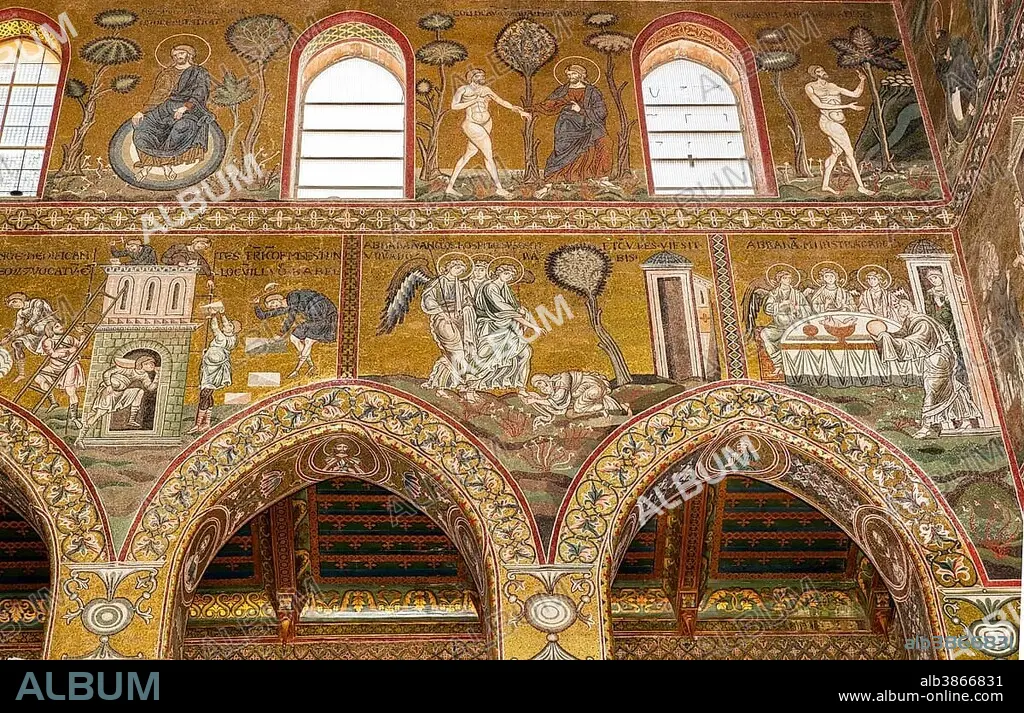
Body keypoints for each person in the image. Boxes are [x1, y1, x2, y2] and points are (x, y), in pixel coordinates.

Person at [870, 299, 980, 438]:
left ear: (907, 308)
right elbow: (901, 334)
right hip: (932, 360)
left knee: (933, 392)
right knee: (951, 389)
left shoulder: (922, 322)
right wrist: (885, 336)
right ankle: (966, 421)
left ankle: (927, 426)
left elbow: (916, 341)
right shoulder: (911, 321)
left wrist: (893, 341)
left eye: (899, 307)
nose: (898, 310)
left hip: (938, 360)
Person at [131, 43, 215, 182]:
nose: (178, 57)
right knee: (143, 126)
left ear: (189, 54)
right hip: (167, 107)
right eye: (175, 55)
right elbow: (159, 93)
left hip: (191, 108)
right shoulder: (167, 73)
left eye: (181, 53)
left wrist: (184, 108)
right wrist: (142, 111)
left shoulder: (198, 72)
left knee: (182, 127)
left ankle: (152, 167)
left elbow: (200, 92)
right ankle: (161, 164)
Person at [531, 64, 615, 198]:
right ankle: (551, 181)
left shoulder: (592, 91)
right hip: (568, 125)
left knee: (605, 142)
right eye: (569, 75)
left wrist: (581, 110)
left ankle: (602, 178)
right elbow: (550, 104)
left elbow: (601, 111)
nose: (570, 77)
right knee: (562, 151)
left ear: (581, 75)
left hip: (589, 123)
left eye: (573, 74)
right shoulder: (562, 90)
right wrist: (531, 109)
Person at [444, 69, 530, 199]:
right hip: (472, 125)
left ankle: (449, 187)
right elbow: (454, 106)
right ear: (472, 77)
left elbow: (500, 101)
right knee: (488, 155)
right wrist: (474, 100)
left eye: (483, 75)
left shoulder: (486, 90)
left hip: (486, 124)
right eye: (479, 75)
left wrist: (517, 110)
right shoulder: (464, 90)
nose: (483, 77)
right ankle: (499, 188)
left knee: (468, 155)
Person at [805, 66, 875, 196]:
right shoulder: (810, 87)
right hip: (828, 122)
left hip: (836, 122)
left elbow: (855, 94)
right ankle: (861, 186)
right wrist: (847, 106)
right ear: (814, 74)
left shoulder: (833, 86)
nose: (822, 72)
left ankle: (825, 185)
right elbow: (820, 105)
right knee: (849, 152)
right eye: (818, 71)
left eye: (822, 69)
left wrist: (862, 81)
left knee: (836, 152)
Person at [420, 255, 478, 398]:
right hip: (443, 319)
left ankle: (445, 384)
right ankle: (462, 380)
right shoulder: (438, 283)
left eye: (461, 270)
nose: (459, 271)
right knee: (455, 350)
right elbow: (428, 299)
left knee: (459, 352)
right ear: (449, 267)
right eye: (457, 268)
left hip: (460, 320)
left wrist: (467, 308)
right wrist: (442, 312)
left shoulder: (461, 285)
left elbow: (467, 301)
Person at [471, 261, 534, 390]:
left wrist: (520, 310)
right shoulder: (490, 287)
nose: (508, 276)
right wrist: (526, 321)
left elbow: (511, 306)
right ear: (498, 273)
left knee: (525, 352)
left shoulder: (505, 288)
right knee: (485, 354)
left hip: (506, 326)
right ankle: (472, 385)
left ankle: (518, 385)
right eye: (506, 273)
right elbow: (501, 306)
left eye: (511, 275)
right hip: (491, 326)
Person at [254, 288, 338, 378]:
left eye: (273, 303)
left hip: (324, 315)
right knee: (294, 338)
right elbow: (263, 315)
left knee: (308, 341)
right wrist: (256, 304)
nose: (274, 306)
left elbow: (291, 316)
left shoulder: (293, 296)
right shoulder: (289, 307)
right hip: (314, 318)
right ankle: (311, 365)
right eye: (271, 307)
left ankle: (297, 369)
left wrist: (280, 333)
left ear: (278, 298)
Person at [76, 354, 159, 445]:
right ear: (142, 363)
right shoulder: (127, 368)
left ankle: (131, 419)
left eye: (153, 364)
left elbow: (150, 388)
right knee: (98, 415)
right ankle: (80, 438)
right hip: (110, 392)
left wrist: (157, 376)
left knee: (140, 391)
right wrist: (108, 385)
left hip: (122, 393)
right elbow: (107, 373)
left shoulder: (144, 375)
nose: (152, 366)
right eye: (150, 363)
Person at [187, 312, 240, 435]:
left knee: (204, 394)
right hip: (214, 367)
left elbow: (215, 327)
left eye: (230, 326)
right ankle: (206, 423)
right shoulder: (232, 339)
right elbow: (224, 324)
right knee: (208, 394)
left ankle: (198, 424)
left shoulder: (222, 337)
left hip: (212, 369)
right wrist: (222, 314)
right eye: (227, 324)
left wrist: (214, 316)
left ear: (233, 330)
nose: (226, 325)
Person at [520, 371, 629, 427]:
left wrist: (536, 400)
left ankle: (604, 408)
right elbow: (555, 404)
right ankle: (600, 411)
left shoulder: (562, 378)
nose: (541, 388)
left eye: (540, 383)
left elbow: (559, 399)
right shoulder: (554, 388)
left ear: (545, 379)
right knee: (570, 414)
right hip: (578, 395)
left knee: (579, 408)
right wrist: (533, 396)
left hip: (593, 387)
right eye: (537, 387)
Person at [34, 321, 86, 428]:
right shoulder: (48, 341)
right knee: (39, 378)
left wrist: (82, 335)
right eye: (57, 326)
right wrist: (70, 350)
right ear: (50, 330)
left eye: (60, 325)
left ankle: (74, 418)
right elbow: (54, 354)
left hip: (70, 366)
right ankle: (53, 402)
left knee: (70, 391)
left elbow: (82, 346)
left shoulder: (69, 338)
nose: (61, 327)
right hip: (54, 367)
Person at [760, 270, 812, 374]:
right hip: (778, 326)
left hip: (795, 326)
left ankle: (797, 366)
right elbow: (767, 308)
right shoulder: (774, 294)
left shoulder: (797, 294)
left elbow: (808, 310)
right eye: (784, 278)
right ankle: (778, 364)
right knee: (765, 334)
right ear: (779, 280)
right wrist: (781, 305)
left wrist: (798, 308)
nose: (788, 280)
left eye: (789, 278)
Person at [1, 293, 62, 382]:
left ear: (20, 299)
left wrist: (26, 327)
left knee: (37, 328)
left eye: (14, 302)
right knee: (16, 344)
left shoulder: (37, 302)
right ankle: (21, 374)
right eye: (12, 306)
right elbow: (18, 328)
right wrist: (9, 337)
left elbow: (35, 316)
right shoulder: (20, 313)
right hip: (37, 333)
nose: (14, 306)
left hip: (51, 326)